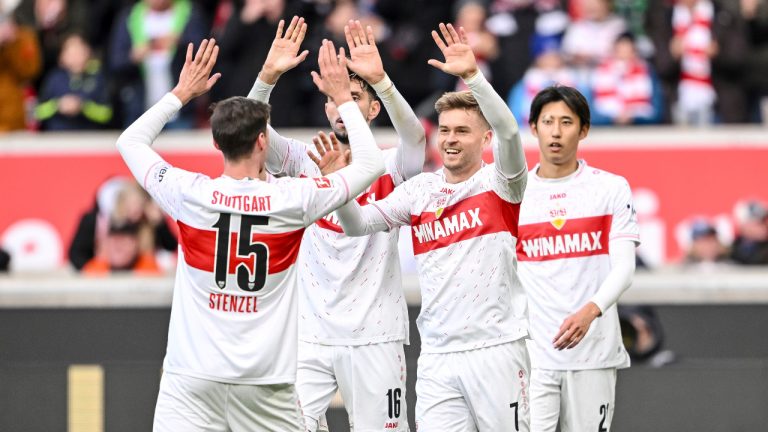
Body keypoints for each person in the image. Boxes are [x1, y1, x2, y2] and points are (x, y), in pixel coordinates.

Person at [115, 38, 385, 431]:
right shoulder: (292, 199)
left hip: (191, 378)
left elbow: (130, 141)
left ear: (216, 142)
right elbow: (372, 163)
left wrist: (181, 92)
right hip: (265, 385)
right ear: (263, 142)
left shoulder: (189, 193)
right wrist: (344, 98)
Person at [335, 23, 530, 431]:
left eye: (462, 130)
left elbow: (512, 132)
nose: (451, 139)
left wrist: (474, 77)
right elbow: (357, 226)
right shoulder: (419, 191)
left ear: (485, 138)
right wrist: (342, 189)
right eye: (444, 131)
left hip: (495, 349)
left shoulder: (501, 183)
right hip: (438, 357)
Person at [247, 17, 426, 431]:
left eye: (355, 97)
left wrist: (380, 79)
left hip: (375, 335)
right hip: (309, 334)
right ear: (326, 106)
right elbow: (250, 131)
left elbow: (416, 140)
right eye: (335, 98)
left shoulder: (389, 164)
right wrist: (267, 76)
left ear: (373, 107)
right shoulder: (303, 160)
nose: (343, 106)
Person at [516, 85, 639, 432]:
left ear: (583, 130)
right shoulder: (513, 193)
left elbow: (625, 267)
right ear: (534, 127)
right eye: (548, 121)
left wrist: (590, 311)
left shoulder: (610, 188)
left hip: (593, 352)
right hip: (532, 355)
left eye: (566, 122)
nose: (556, 132)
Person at [35, 33, 112, 130]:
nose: (75, 56)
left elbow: (107, 114)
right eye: (70, 51)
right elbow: (37, 112)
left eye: (78, 50)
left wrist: (83, 107)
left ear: (87, 51)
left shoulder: (97, 78)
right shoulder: (54, 78)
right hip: (57, 138)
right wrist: (58, 105)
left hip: (89, 138)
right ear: (62, 56)